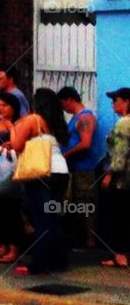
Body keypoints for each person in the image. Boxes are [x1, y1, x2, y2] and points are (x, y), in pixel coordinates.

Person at [9, 87, 71, 276]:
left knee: (41, 219)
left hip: (41, 174)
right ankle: (58, 261)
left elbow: (16, 146)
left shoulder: (32, 120)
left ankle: (39, 265)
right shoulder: (56, 123)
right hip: (60, 172)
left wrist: (13, 128)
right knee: (51, 217)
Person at [57, 86, 106, 249]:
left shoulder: (85, 117)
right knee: (76, 203)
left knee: (86, 203)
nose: (63, 108)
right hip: (75, 168)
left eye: (63, 104)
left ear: (69, 100)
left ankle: (90, 240)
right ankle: (80, 238)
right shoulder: (76, 118)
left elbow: (85, 143)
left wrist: (66, 154)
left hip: (84, 167)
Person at [0, 92, 24, 264]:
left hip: (12, 171)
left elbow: (18, 152)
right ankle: (5, 245)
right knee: (0, 208)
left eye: (5, 105)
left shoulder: (18, 125)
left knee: (12, 210)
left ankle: (14, 249)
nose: (1, 108)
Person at [99, 87, 130, 268]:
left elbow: (120, 152)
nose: (112, 104)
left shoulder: (123, 124)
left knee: (119, 217)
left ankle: (120, 254)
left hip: (122, 180)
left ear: (126, 102)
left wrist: (109, 174)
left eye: (115, 100)